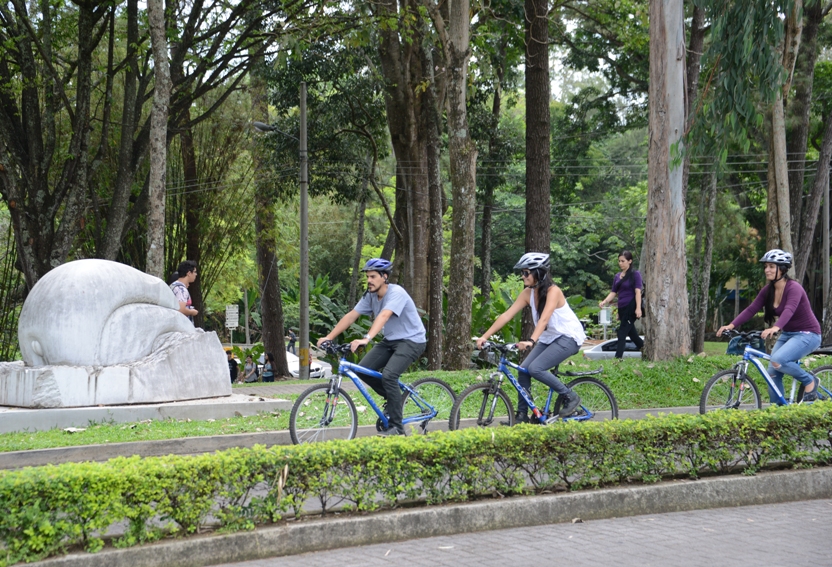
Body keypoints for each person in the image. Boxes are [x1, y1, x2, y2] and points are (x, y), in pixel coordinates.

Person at [317, 258, 427, 436]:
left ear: (384, 277)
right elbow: (351, 315)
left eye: (373, 276)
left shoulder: (396, 292)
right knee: (362, 370)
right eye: (367, 277)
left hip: (412, 340)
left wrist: (366, 338)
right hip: (391, 340)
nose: (369, 280)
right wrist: (328, 337)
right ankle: (393, 401)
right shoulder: (370, 296)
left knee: (390, 375)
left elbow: (384, 315)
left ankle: (397, 428)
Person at [475, 252, 585, 423]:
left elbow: (544, 318)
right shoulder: (528, 293)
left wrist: (531, 341)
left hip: (568, 337)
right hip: (550, 338)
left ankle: (570, 397)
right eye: (522, 272)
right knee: (523, 370)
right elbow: (506, 315)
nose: (523, 276)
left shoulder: (553, 291)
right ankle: (522, 415)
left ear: (539, 273)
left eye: (526, 272)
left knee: (536, 368)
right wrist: (484, 336)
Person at [716, 249, 822, 403]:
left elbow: (789, 310)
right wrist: (731, 325)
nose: (767, 270)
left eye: (772, 266)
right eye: (766, 266)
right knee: (772, 372)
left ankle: (809, 381)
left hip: (808, 334)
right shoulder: (768, 290)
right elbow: (751, 309)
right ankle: (778, 411)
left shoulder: (794, 288)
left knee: (778, 360)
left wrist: (775, 327)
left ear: (782, 269)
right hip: (788, 334)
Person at [599, 250, 644, 359]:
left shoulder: (635, 274)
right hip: (622, 308)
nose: (620, 263)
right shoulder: (617, 276)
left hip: (631, 307)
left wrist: (638, 308)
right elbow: (613, 292)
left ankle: (617, 359)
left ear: (630, 261)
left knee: (622, 333)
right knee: (633, 335)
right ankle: (645, 349)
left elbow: (638, 292)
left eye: (623, 261)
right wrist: (604, 301)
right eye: (619, 261)